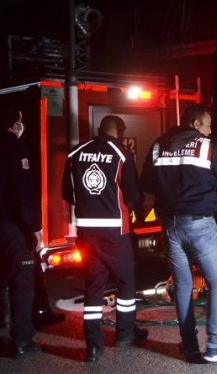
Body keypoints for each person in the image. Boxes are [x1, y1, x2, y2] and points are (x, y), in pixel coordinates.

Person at [140, 105, 217, 362]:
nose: (209, 131)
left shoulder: (158, 144)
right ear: (195, 124)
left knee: (183, 286)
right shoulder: (206, 146)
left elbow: (147, 184)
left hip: (171, 226)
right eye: (207, 125)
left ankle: (190, 345)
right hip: (200, 224)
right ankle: (216, 345)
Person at [62, 115, 148, 363]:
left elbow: (68, 192)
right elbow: (132, 195)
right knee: (126, 280)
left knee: (94, 285)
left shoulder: (75, 153)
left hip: (88, 232)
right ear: (121, 132)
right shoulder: (121, 153)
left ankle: (93, 346)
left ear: (99, 130)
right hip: (115, 232)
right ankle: (125, 333)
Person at [0, 105, 45, 358]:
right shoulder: (15, 148)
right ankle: (22, 342)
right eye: (20, 121)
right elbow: (22, 193)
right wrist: (34, 228)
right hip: (13, 229)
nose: (21, 126)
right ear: (14, 125)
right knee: (21, 284)